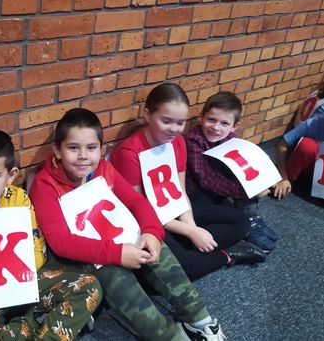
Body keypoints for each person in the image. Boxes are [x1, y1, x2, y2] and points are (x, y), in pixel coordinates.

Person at [30, 108, 226, 341]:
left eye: (91, 148)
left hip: (116, 240)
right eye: (73, 148)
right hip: (80, 257)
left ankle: (200, 320)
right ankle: (169, 337)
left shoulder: (104, 169)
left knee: (157, 250)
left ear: (101, 149)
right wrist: (117, 254)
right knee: (116, 277)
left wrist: (152, 233)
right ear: (57, 150)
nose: (83, 156)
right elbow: (61, 242)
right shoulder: (44, 185)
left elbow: (137, 202)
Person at [0, 128, 102, 340]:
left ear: (10, 176)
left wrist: (17, 281)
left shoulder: (19, 198)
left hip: (23, 282)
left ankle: (33, 327)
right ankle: (34, 321)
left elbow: (38, 253)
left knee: (89, 287)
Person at [110, 84, 265, 280]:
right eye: (166, 121)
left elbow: (180, 190)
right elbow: (140, 209)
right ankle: (226, 256)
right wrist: (189, 231)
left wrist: (191, 226)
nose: (174, 129)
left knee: (241, 222)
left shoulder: (178, 141)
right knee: (184, 266)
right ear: (147, 115)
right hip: (146, 219)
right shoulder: (129, 152)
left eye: (180, 122)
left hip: (171, 207)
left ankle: (189, 248)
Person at [186, 91, 278, 252]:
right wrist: (248, 192)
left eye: (224, 123)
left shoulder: (230, 139)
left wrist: (263, 182)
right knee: (241, 188)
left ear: (234, 126)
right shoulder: (193, 141)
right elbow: (205, 179)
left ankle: (251, 217)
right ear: (201, 118)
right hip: (197, 195)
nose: (216, 127)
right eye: (211, 120)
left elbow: (247, 164)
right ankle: (247, 223)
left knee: (240, 173)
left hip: (217, 190)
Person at [273, 113, 324, 200]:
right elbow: (282, 144)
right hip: (311, 167)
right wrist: (283, 177)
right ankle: (288, 180)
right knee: (307, 146)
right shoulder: (314, 123)